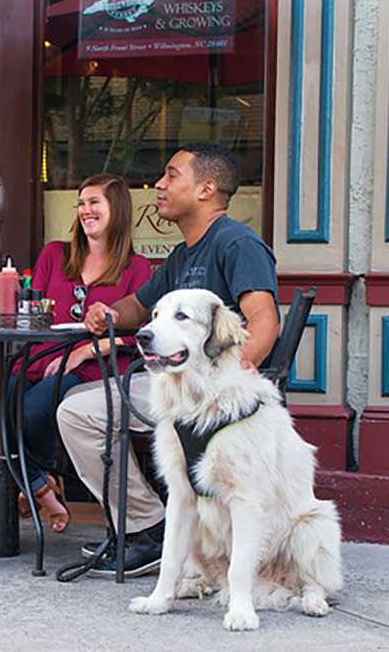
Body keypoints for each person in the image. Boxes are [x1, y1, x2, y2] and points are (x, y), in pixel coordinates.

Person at [57, 142, 280, 578]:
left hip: (213, 396)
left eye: (172, 175)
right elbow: (138, 308)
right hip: (175, 387)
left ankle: (149, 532)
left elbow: (264, 322)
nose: (159, 184)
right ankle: (150, 528)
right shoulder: (183, 255)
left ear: (206, 189)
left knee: (79, 411)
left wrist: (229, 387)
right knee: (76, 410)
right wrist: (109, 314)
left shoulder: (236, 243)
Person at [10, 174, 151, 533]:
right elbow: (33, 313)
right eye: (82, 203)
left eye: (95, 202)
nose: (86, 210)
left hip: (95, 366)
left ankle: (37, 485)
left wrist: (86, 351)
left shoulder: (138, 268)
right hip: (41, 356)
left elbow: (141, 337)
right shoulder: (54, 253)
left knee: (32, 408)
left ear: (115, 210)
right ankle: (41, 483)